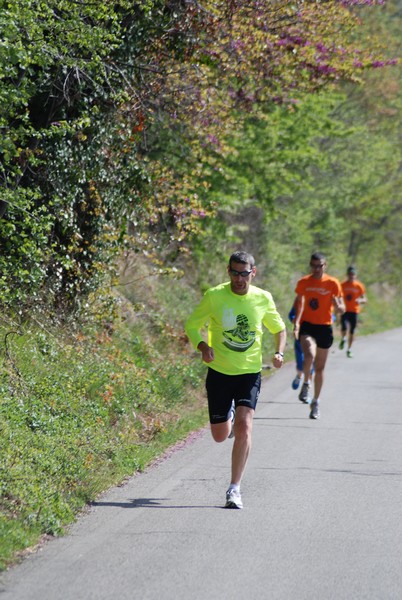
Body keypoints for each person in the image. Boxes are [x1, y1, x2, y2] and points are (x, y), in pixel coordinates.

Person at [185, 250, 286, 509]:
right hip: (219, 373)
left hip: (249, 373)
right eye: (234, 272)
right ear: (228, 271)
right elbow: (192, 325)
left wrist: (279, 351)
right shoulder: (215, 296)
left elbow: (279, 329)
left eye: (244, 273)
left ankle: (234, 488)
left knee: (244, 426)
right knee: (220, 435)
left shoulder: (262, 298)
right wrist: (202, 346)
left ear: (254, 272)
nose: (239, 279)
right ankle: (227, 415)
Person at [293, 252, 345, 420]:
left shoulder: (332, 283)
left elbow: (342, 307)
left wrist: (339, 307)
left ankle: (315, 402)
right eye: (313, 265)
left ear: (325, 265)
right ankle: (306, 383)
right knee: (308, 355)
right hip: (307, 325)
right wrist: (297, 323)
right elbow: (299, 304)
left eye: (319, 265)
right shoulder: (304, 282)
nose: (316, 269)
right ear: (310, 265)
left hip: (324, 327)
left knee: (320, 367)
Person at [339, 266, 367, 358]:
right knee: (343, 327)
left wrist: (360, 301)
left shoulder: (359, 286)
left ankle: (349, 349)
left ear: (355, 275)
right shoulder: (342, 285)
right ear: (347, 274)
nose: (352, 276)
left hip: (354, 311)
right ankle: (343, 338)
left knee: (352, 331)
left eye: (353, 274)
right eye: (350, 274)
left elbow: (364, 299)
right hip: (345, 310)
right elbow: (337, 296)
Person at [288, 301, 314, 390]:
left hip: (315, 335)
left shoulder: (322, 296)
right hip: (300, 333)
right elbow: (291, 315)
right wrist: (296, 321)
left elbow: (330, 315)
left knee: (311, 359)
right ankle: (299, 375)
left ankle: (307, 388)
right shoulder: (300, 299)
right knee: (300, 360)